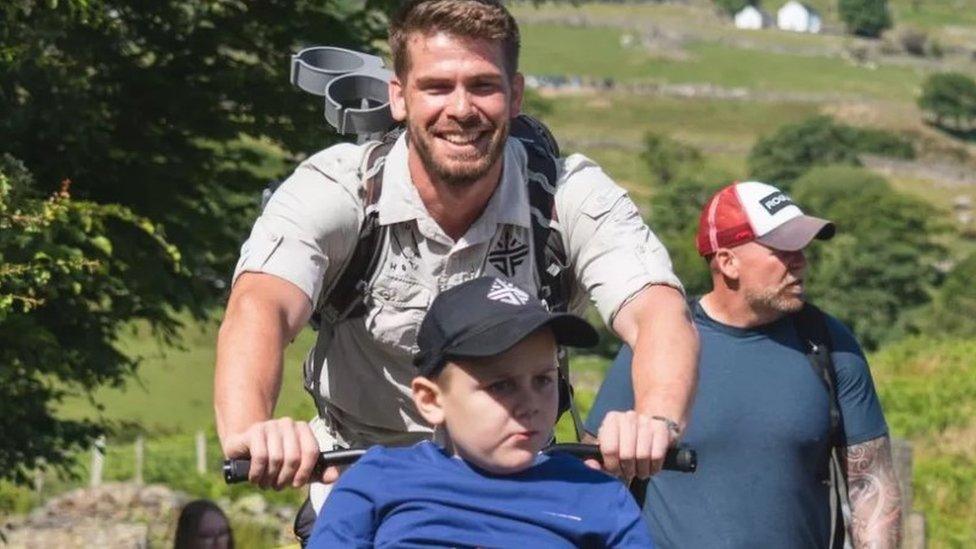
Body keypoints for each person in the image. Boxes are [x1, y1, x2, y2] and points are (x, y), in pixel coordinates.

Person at [214, 0, 698, 541]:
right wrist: (250, 431)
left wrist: (655, 419)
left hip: (520, 488)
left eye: (483, 86)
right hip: (362, 488)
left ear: (515, 95)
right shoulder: (338, 190)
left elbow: (658, 311)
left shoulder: (569, 197)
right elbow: (261, 306)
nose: (462, 109)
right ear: (399, 96)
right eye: (437, 87)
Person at [586, 181, 903, 548]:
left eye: (802, 246)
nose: (800, 259)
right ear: (727, 262)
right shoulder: (661, 340)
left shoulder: (830, 344)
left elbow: (873, 490)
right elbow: (597, 481)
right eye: (783, 248)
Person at [307, 276, 654, 547]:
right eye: (501, 385)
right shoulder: (375, 480)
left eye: (544, 380)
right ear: (431, 400)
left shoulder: (599, 495)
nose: (530, 403)